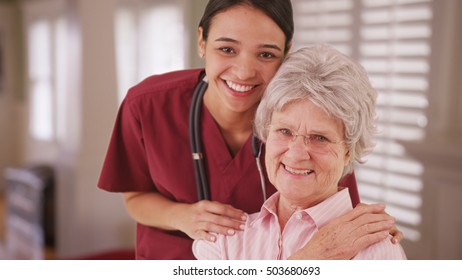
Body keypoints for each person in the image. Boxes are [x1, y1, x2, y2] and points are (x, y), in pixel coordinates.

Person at [98, 0, 402, 260]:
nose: (244, 71)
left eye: (266, 54)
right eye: (227, 49)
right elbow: (135, 196)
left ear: (286, 51)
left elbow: (338, 217)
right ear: (201, 41)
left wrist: (372, 239)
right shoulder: (148, 105)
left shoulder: (308, 118)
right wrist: (182, 216)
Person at [193, 44, 407, 259]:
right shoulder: (223, 240)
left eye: (320, 138)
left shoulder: (377, 251)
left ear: (348, 151)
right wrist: (312, 258)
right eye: (284, 131)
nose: (296, 154)